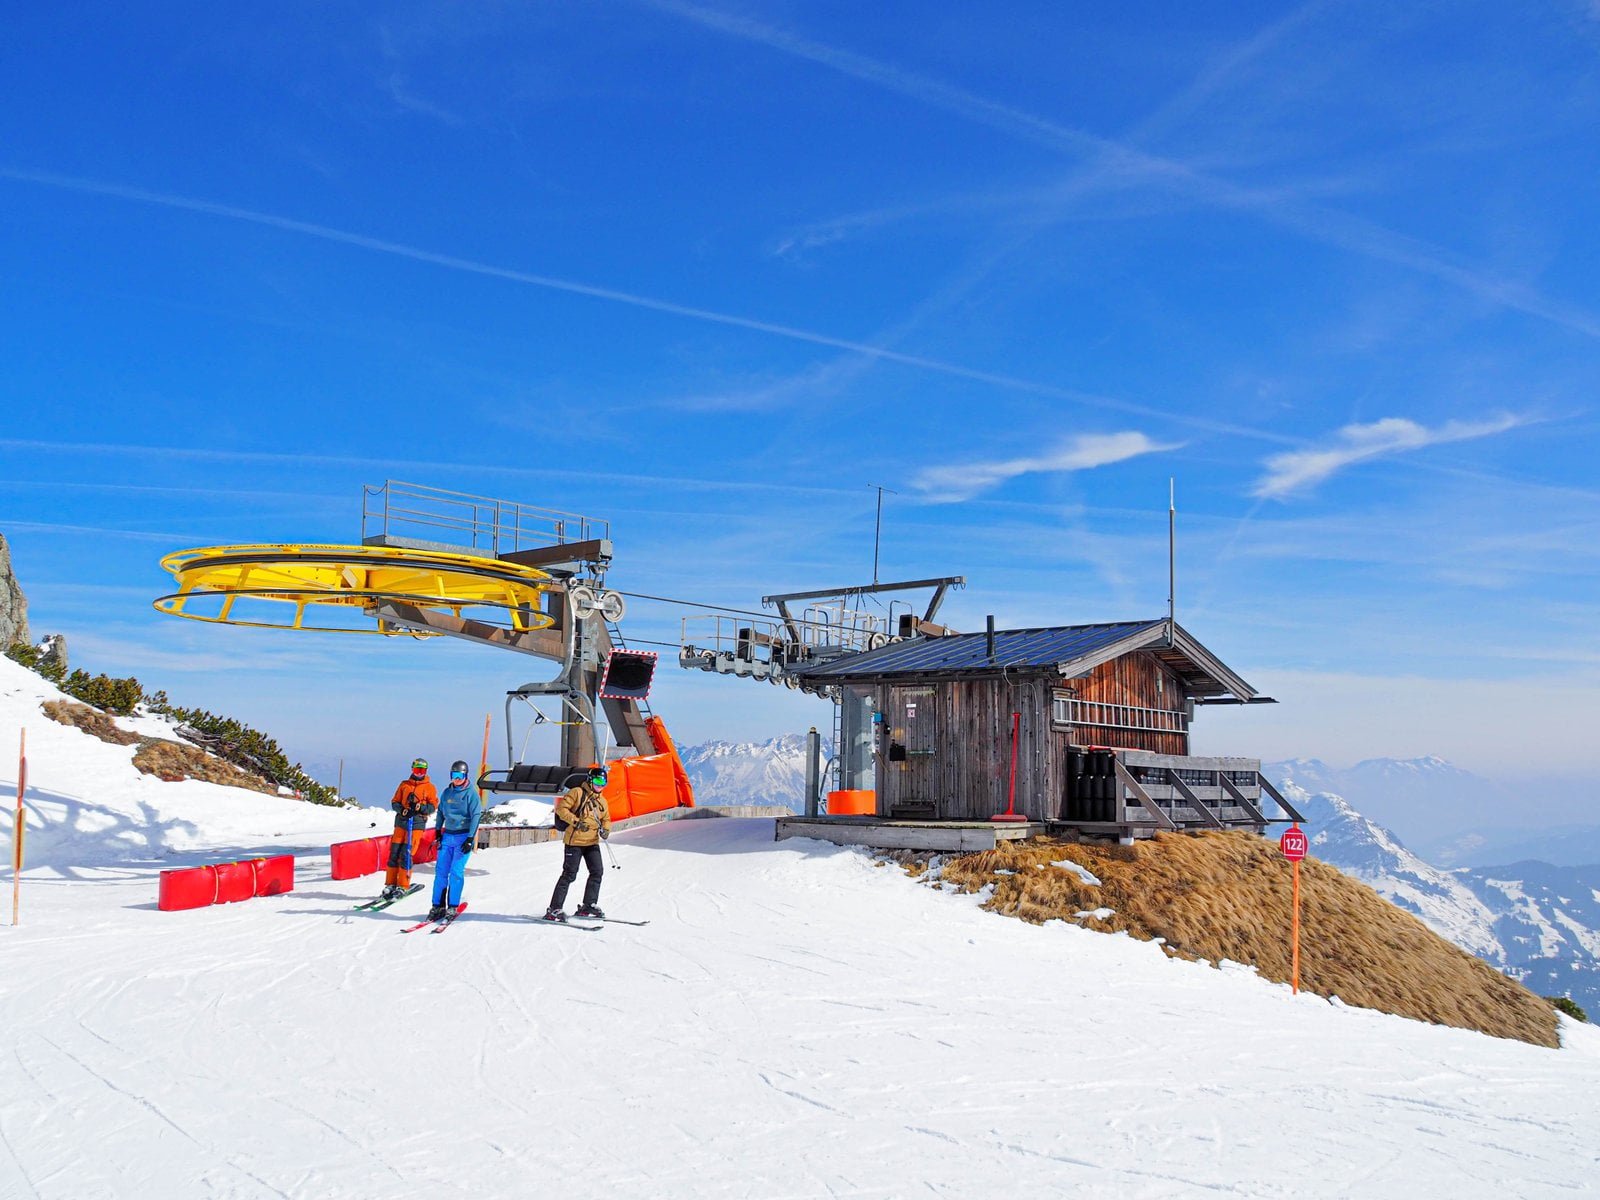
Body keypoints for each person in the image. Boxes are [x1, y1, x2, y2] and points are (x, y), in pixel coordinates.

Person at [542, 763, 612, 922]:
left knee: (597, 872)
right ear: (590, 780)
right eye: (597, 783)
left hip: (592, 842)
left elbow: (606, 819)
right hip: (574, 842)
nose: (600, 787)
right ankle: (554, 909)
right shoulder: (577, 793)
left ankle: (589, 904)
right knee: (569, 875)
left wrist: (606, 830)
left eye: (603, 784)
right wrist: (576, 822)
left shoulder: (602, 801)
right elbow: (561, 809)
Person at [428, 760, 483, 922]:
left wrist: (470, 838)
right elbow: (440, 813)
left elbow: (476, 816)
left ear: (465, 776)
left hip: (462, 836)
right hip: (447, 836)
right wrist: (438, 830)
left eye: (460, 776)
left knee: (456, 872)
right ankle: (437, 905)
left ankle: (452, 905)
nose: (457, 779)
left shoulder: (471, 794)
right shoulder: (447, 793)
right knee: (441, 872)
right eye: (454, 776)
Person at [383, 757, 439, 900]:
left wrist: (421, 808)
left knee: (406, 854)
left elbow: (433, 806)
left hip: (416, 824)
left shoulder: (429, 787)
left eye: (422, 771)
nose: (419, 773)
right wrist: (402, 810)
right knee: (394, 853)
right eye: (416, 770)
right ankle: (390, 884)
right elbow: (395, 801)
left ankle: (403, 885)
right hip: (401, 823)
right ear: (412, 769)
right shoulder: (404, 785)